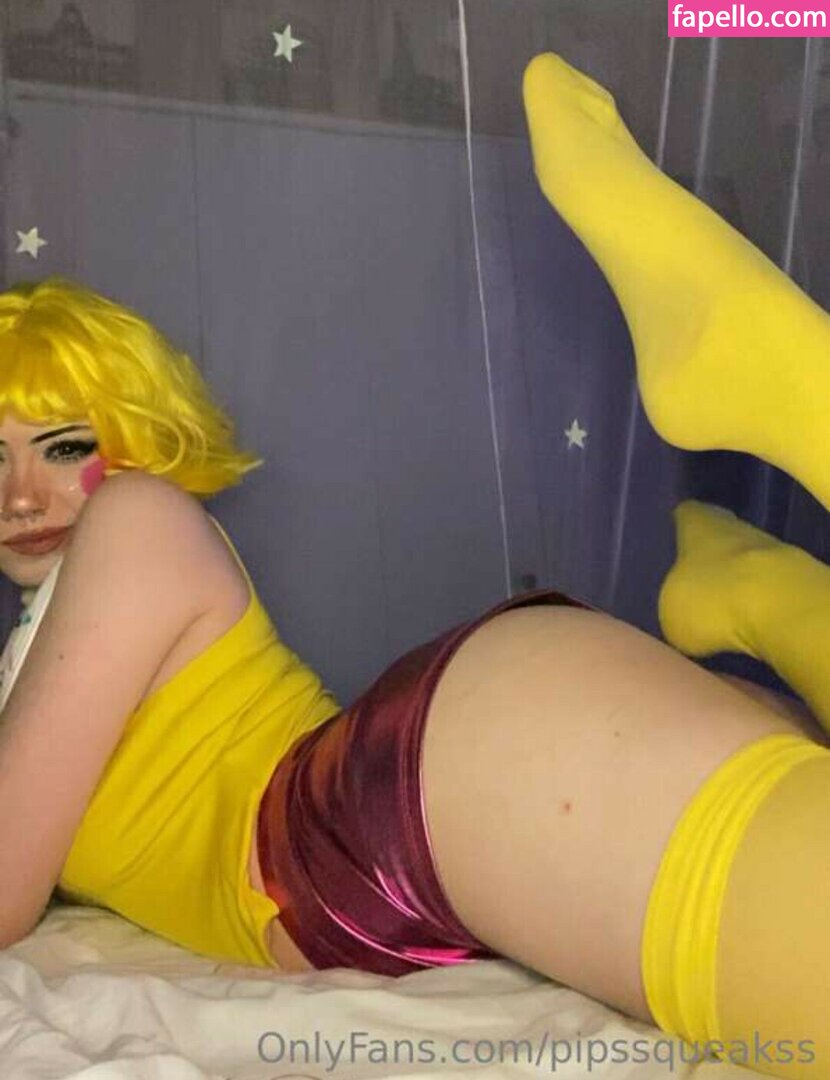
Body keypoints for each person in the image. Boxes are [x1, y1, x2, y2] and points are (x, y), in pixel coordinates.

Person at [0, 51, 827, 1080]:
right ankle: (772, 598)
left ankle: (792, 396)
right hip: (442, 796)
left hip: (374, 819)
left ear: (133, 439)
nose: (22, 496)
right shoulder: (57, 627)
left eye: (63, 447)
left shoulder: (134, 522)